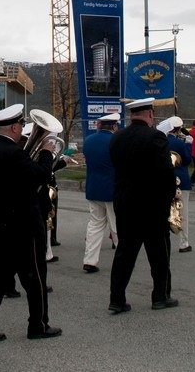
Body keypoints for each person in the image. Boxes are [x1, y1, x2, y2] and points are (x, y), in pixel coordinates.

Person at [0, 103, 60, 345]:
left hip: (1, 220)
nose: (23, 130)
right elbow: (41, 175)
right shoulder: (14, 153)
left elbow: (21, 179)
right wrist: (47, 151)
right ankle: (38, 325)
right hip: (23, 223)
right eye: (21, 125)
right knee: (35, 276)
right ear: (13, 127)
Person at [108, 98, 178, 314]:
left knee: (124, 253)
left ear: (132, 115)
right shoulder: (155, 136)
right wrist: (170, 196)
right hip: (152, 206)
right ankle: (160, 296)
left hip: (125, 203)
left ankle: (116, 299)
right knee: (158, 253)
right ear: (150, 113)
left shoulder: (117, 137)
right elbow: (166, 171)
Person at [82, 113, 119, 273]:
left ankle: (90, 260)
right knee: (117, 225)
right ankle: (122, 259)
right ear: (114, 126)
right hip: (112, 189)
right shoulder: (116, 141)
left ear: (99, 125)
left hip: (93, 187)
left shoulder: (88, 141)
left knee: (95, 225)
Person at [162, 117, 193, 253]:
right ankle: (183, 242)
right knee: (182, 211)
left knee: (163, 210)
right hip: (180, 179)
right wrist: (188, 145)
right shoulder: (180, 143)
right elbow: (186, 160)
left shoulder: (162, 141)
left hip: (164, 179)